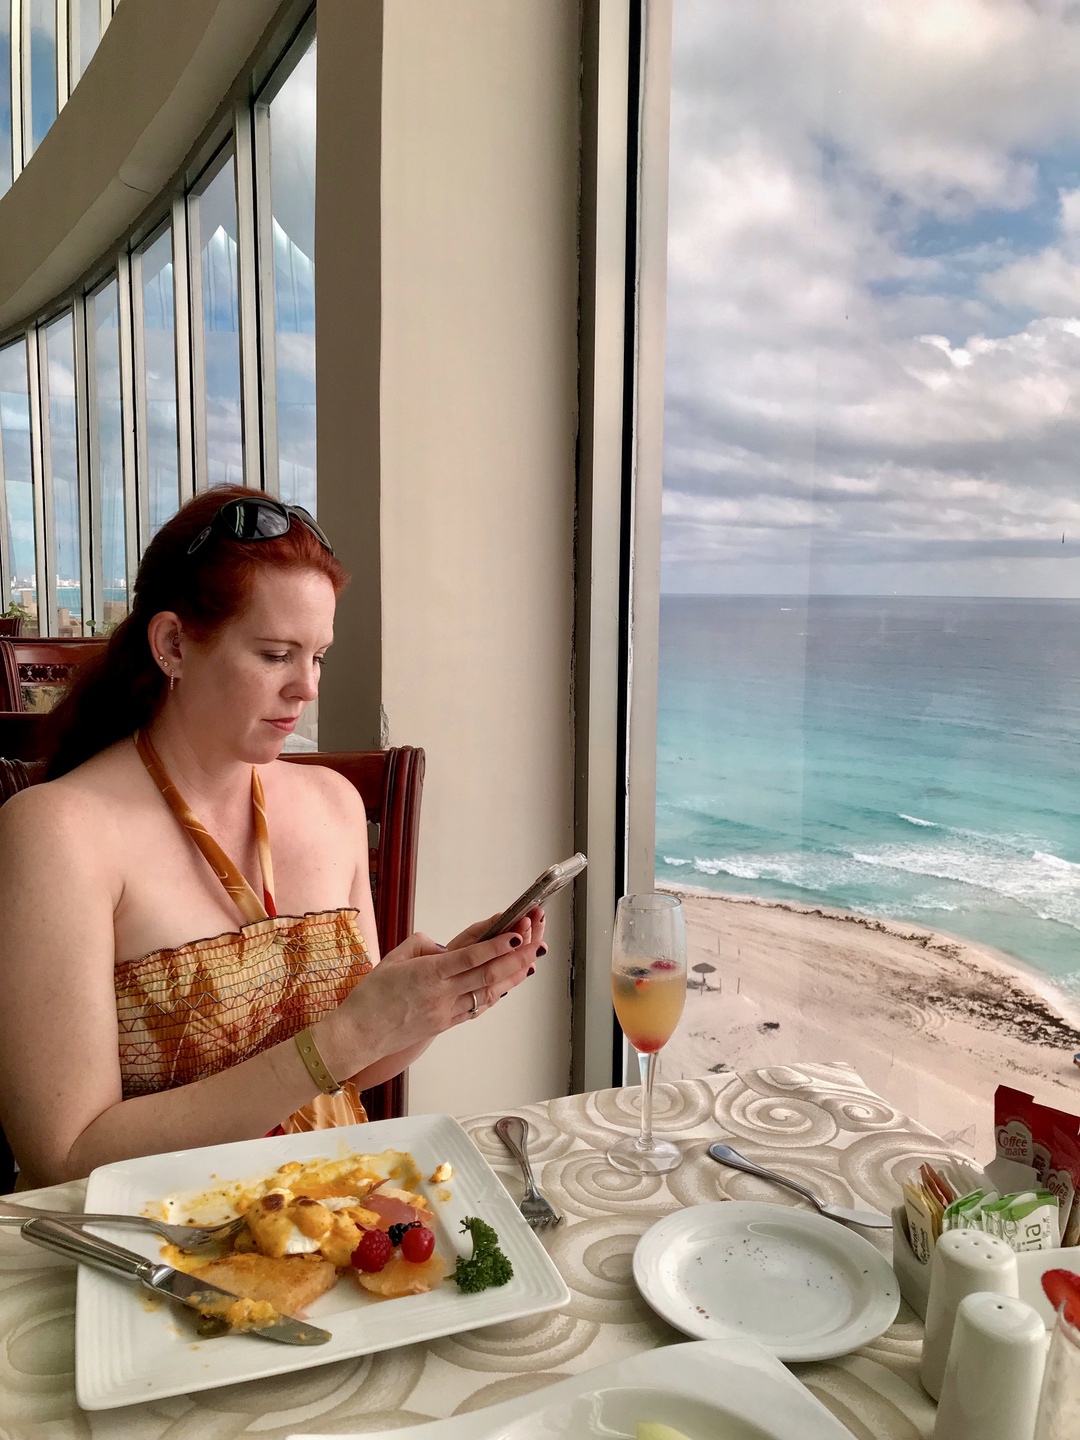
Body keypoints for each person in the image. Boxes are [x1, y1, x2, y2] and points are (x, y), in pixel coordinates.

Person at [0, 487, 543, 1189]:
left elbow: (349, 1068)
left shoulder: (335, 806)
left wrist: (435, 1000)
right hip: (155, 1253)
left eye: (317, 656)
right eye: (276, 654)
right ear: (172, 645)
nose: (307, 689)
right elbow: (63, 1156)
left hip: (334, 1219)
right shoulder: (59, 833)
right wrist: (340, 1038)